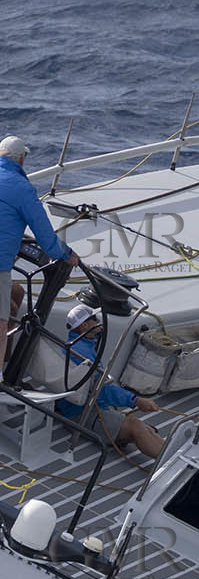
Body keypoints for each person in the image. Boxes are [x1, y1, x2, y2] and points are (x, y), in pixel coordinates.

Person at [0, 136, 78, 363]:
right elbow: (45, 237)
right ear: (21, 159)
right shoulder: (22, 188)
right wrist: (67, 255)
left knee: (15, 296)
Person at [59, 303, 164, 459]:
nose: (98, 321)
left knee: (143, 427)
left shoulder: (77, 345)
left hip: (83, 405)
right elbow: (100, 389)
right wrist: (135, 400)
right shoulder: (82, 353)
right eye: (94, 319)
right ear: (85, 325)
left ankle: (166, 450)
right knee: (136, 427)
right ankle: (170, 459)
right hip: (81, 413)